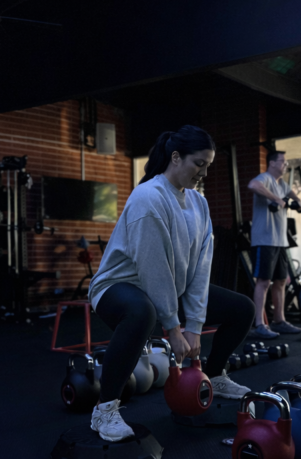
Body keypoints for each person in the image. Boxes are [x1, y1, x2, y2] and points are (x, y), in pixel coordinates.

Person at [86, 126, 255, 442]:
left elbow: (200, 271)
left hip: (166, 288)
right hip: (117, 287)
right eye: (198, 164)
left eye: (207, 165)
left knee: (242, 308)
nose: (203, 172)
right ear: (175, 157)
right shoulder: (148, 197)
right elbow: (154, 270)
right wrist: (174, 330)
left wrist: (194, 325)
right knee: (142, 313)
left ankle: (215, 375)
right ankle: (104, 409)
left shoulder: (198, 203)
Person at [247, 149, 301, 339]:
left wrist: (298, 202)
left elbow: (292, 195)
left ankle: (279, 321)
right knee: (263, 282)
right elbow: (252, 185)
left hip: (280, 241)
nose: (285, 165)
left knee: (280, 281)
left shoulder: (282, 184)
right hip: (264, 240)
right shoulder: (265, 178)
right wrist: (276, 199)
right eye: (283, 162)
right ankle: (259, 324)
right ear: (272, 163)